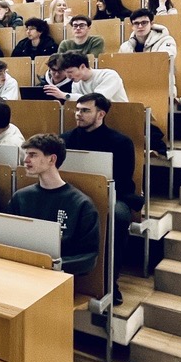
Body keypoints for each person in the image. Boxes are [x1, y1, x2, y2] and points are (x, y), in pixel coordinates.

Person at [62, 93, 139, 304]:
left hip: (114, 195)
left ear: (101, 114)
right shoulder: (65, 140)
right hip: (73, 195)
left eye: (85, 110)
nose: (78, 114)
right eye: (77, 109)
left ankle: (110, 282)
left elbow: (123, 180)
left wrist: (98, 194)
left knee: (118, 217)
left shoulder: (121, 142)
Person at [7, 134, 100, 276]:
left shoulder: (81, 204)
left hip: (58, 276)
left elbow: (89, 257)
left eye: (33, 155)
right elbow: (8, 238)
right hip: (20, 271)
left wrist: (51, 265)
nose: (25, 160)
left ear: (52, 159)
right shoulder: (20, 197)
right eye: (26, 154)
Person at [46, 51, 128, 103]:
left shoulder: (109, 75)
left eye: (70, 72)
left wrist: (65, 95)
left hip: (118, 115)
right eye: (66, 73)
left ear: (82, 67)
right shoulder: (76, 83)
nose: (68, 76)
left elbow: (97, 100)